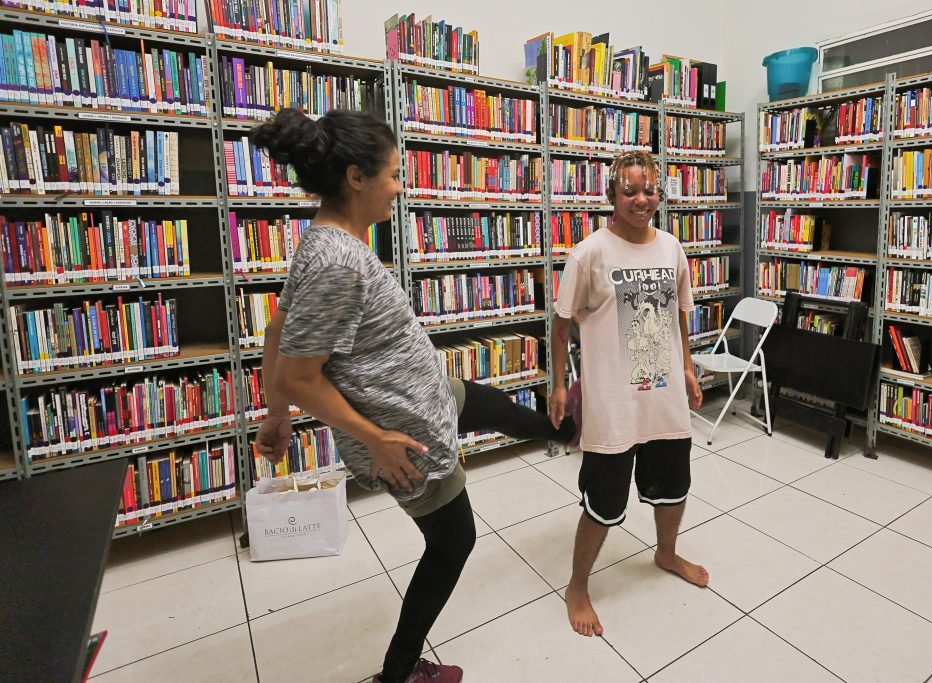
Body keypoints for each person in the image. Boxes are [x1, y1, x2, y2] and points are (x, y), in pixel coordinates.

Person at [250, 108, 575, 683]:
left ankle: (564, 431)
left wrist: (276, 419)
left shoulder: (325, 240)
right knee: (455, 544)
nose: (400, 188)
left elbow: (279, 330)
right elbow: (298, 375)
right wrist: (374, 439)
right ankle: (399, 674)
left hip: (425, 395)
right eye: (395, 174)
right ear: (356, 177)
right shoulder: (338, 262)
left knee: (495, 406)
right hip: (404, 434)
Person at [548, 150, 709, 639]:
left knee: (673, 485)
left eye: (650, 189)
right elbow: (559, 327)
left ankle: (665, 552)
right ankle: (578, 585)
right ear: (612, 196)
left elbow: (681, 311)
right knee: (603, 501)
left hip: (663, 398)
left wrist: (686, 366)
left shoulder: (672, 249)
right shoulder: (589, 254)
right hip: (612, 404)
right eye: (630, 191)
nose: (642, 200)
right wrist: (557, 384)